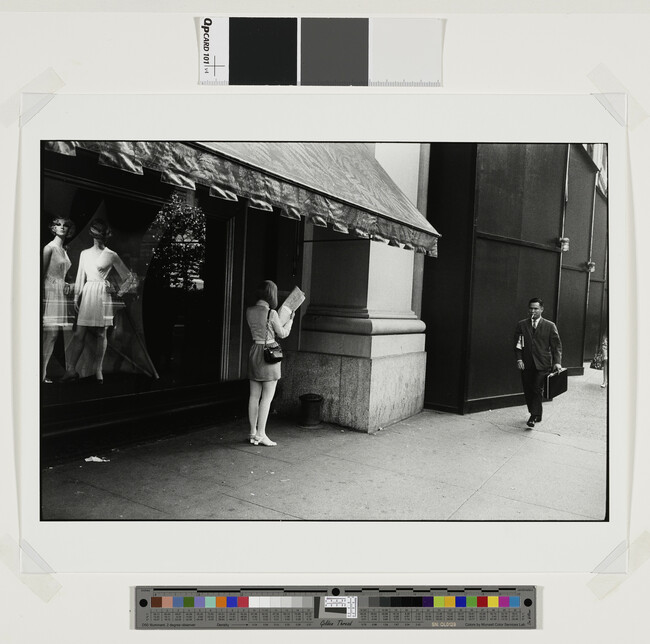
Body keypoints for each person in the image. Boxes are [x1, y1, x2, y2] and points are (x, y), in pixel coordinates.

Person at [62, 219, 132, 384]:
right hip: (87, 293)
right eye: (96, 233)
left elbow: (129, 278)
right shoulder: (84, 253)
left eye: (101, 234)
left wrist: (116, 291)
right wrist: (75, 297)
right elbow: (80, 277)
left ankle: (98, 370)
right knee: (80, 333)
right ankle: (71, 369)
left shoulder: (111, 254)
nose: (98, 237)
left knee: (101, 334)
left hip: (101, 294)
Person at [245, 280, 294, 446]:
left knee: (253, 396)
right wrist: (290, 320)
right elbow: (283, 333)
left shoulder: (249, 311)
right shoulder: (271, 313)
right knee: (267, 397)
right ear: (271, 295)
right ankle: (261, 434)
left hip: (254, 351)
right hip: (269, 353)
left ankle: (252, 433)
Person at [514, 297, 562, 428]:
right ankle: (536, 413)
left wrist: (557, 362)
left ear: (542, 309)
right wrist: (519, 359)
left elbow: (556, 346)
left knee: (536, 388)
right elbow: (518, 345)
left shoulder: (550, 326)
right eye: (530, 308)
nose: (532, 311)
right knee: (528, 389)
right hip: (527, 364)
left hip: (543, 364)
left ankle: (533, 416)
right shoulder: (522, 325)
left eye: (535, 308)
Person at [42, 217, 75, 382]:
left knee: (53, 335)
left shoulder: (63, 250)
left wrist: (67, 283)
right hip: (51, 292)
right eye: (58, 224)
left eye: (65, 225)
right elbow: (42, 275)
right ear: (53, 228)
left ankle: (42, 372)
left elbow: (62, 273)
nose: (62, 227)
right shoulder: (49, 248)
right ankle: (40, 373)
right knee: (51, 333)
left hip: (60, 292)